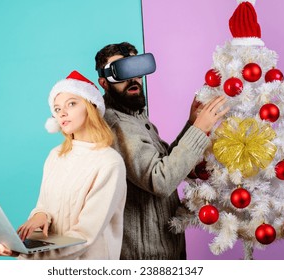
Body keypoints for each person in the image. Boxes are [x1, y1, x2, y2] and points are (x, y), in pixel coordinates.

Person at [95, 42, 229, 259]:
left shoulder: (134, 117)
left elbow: (162, 163)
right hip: (144, 256)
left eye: (137, 69)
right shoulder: (116, 125)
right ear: (104, 82)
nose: (133, 79)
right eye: (122, 72)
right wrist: (198, 129)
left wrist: (191, 124)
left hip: (164, 249)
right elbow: (160, 180)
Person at [0, 70, 127, 259]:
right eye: (57, 109)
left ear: (91, 107)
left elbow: (85, 236)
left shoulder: (110, 163)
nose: (62, 113)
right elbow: (45, 205)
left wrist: (24, 254)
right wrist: (40, 216)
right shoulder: (56, 156)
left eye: (72, 104)